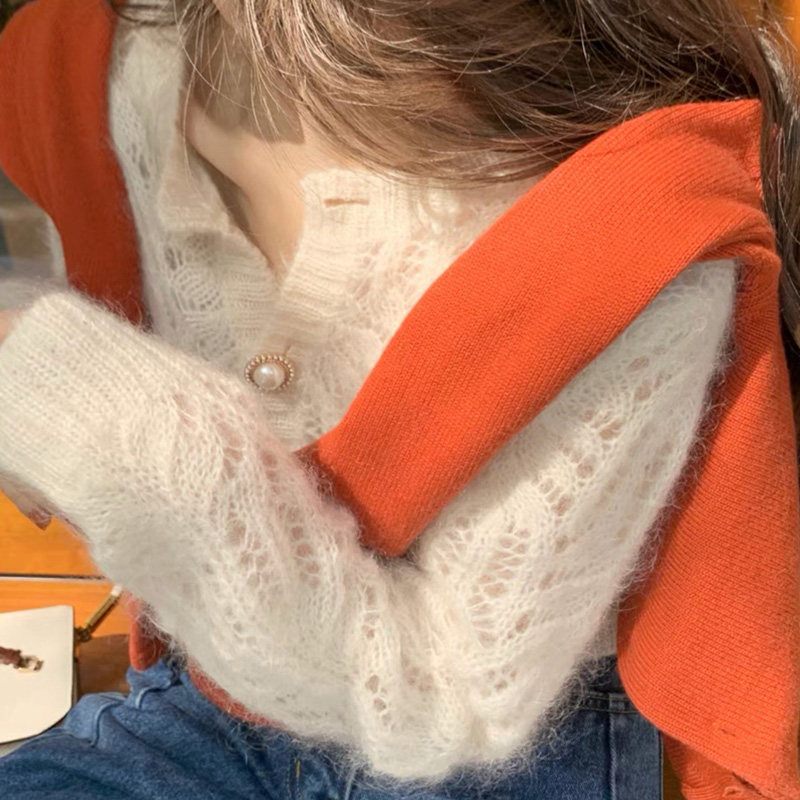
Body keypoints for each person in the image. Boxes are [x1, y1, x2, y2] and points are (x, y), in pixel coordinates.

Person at [0, 1, 797, 798]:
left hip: (503, 751)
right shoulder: (113, 56)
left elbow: (453, 694)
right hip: (206, 693)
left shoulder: (633, 212)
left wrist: (75, 402)